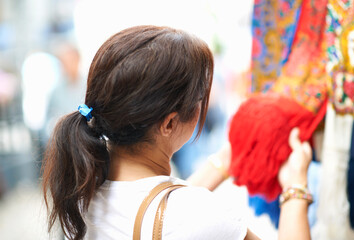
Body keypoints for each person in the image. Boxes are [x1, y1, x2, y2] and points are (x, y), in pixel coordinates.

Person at [42, 25, 313, 240]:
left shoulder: (79, 192)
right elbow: (180, 217)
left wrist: (224, 161)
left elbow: (157, 208)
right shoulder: (195, 214)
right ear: (170, 123)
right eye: (199, 97)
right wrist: (295, 185)